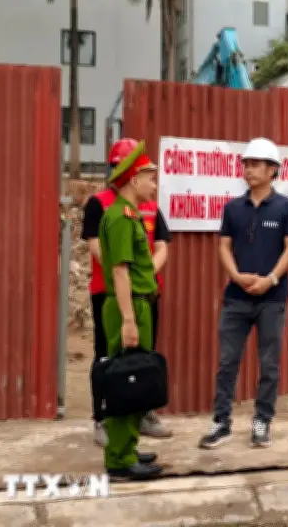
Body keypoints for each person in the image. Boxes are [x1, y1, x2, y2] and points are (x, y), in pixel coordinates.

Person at [199, 137, 288, 450]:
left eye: (256, 164)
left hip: (272, 299)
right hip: (236, 298)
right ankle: (221, 422)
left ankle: (262, 422)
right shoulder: (233, 208)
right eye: (246, 164)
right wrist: (235, 276)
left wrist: (270, 279)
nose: (249, 169)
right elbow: (224, 246)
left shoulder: (287, 207)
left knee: (269, 364)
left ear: (273, 170)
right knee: (228, 362)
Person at [82, 138, 173, 447]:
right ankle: (103, 418)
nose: (154, 182)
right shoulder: (103, 205)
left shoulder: (149, 206)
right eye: (148, 174)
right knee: (108, 357)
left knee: (142, 358)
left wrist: (143, 275)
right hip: (109, 292)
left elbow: (162, 247)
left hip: (145, 293)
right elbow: (100, 250)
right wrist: (128, 279)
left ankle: (142, 414)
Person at [98, 140, 163, 479]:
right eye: (151, 178)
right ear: (134, 180)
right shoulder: (121, 218)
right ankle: (120, 460)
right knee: (127, 380)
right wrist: (127, 319)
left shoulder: (132, 214)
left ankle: (127, 448)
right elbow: (120, 271)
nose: (155, 184)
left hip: (138, 305)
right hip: (130, 306)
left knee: (135, 380)